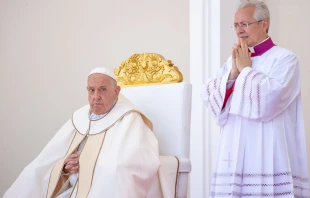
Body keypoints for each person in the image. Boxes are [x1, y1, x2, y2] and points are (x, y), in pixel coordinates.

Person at [201, 1, 309, 197]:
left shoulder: (286, 59)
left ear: (264, 24)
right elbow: (209, 94)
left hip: (268, 144)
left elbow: (271, 99)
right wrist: (233, 73)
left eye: (244, 24)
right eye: (235, 25)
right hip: (233, 144)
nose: (239, 31)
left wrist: (245, 70)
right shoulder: (232, 61)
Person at [4, 67, 160, 198]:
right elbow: (51, 158)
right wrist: (65, 167)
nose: (96, 97)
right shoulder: (80, 117)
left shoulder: (129, 118)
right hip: (75, 190)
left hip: (102, 190)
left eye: (102, 90)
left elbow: (131, 164)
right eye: (92, 90)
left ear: (116, 91)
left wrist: (88, 164)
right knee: (31, 172)